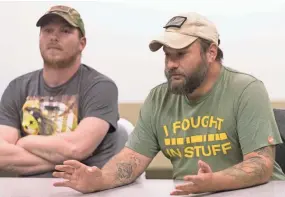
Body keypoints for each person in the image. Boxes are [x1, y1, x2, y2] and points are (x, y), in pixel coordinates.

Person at [52, 12, 285, 195]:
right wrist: (99, 179)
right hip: (191, 193)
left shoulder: (246, 89)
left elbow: (260, 164)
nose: (171, 64)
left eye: (181, 54)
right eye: (167, 55)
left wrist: (215, 182)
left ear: (211, 52)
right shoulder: (158, 98)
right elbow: (131, 159)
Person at [0, 5, 121, 178]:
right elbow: (1, 155)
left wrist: (25, 141)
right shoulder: (17, 87)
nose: (54, 37)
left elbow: (77, 147)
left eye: (65, 31)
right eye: (47, 30)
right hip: (26, 190)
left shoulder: (100, 87)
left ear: (82, 43)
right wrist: (67, 157)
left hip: (80, 190)